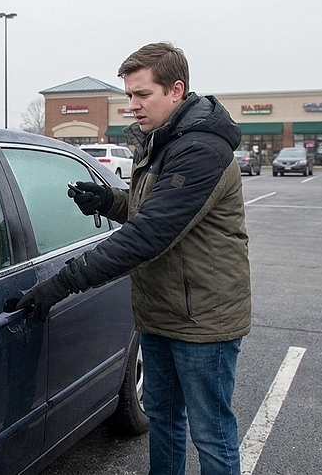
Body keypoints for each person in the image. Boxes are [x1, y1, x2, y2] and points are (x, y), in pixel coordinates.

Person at [17, 42, 251, 475]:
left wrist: (62, 283)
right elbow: (152, 208)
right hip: (160, 312)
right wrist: (108, 200)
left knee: (211, 433)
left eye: (142, 95)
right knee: (164, 419)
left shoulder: (202, 150)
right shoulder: (163, 141)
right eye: (128, 95)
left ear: (176, 90)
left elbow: (151, 234)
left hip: (203, 320)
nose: (132, 106)